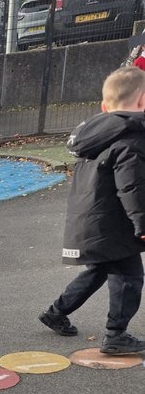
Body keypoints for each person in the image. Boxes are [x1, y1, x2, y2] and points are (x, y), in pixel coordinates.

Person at [39, 66, 145, 356]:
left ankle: (56, 312)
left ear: (104, 106)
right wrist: (142, 223)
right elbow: (132, 187)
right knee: (130, 277)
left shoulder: (96, 137)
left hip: (93, 221)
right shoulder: (130, 139)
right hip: (115, 224)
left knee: (99, 270)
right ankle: (116, 335)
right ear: (142, 101)